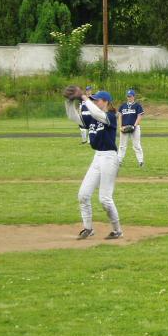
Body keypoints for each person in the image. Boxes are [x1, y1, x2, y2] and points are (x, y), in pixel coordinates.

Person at [65, 89, 123, 240]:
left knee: (104, 199)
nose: (95, 102)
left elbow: (98, 114)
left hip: (109, 158)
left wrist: (84, 98)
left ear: (106, 102)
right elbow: (73, 117)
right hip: (97, 157)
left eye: (97, 100)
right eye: (94, 100)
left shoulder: (110, 116)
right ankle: (88, 228)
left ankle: (117, 230)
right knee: (83, 195)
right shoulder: (93, 118)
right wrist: (69, 102)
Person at [118, 88, 145, 167]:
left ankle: (140, 161)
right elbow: (120, 116)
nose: (128, 97)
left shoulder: (137, 106)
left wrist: (134, 126)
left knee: (136, 145)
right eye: (127, 96)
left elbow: (139, 116)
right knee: (122, 145)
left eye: (130, 96)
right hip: (124, 127)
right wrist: (120, 127)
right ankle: (119, 161)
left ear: (133, 96)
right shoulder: (123, 105)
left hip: (135, 128)